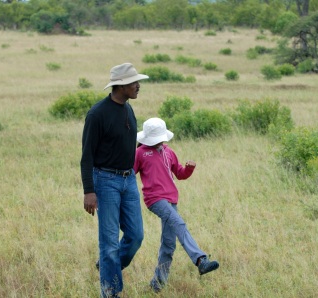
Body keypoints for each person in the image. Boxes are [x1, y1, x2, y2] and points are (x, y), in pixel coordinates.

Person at [80, 63, 149, 298]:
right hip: (105, 181)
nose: (138, 86)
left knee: (136, 235)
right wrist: (89, 191)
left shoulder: (128, 109)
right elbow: (86, 156)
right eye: (134, 82)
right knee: (109, 243)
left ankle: (108, 267)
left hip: (128, 180)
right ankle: (110, 292)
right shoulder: (97, 114)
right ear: (120, 86)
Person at [133, 117, 220, 293]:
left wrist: (189, 168)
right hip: (155, 199)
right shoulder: (140, 153)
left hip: (171, 199)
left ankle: (157, 284)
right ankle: (200, 260)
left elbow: (179, 174)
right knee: (179, 223)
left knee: (168, 244)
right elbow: (129, 174)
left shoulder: (169, 152)